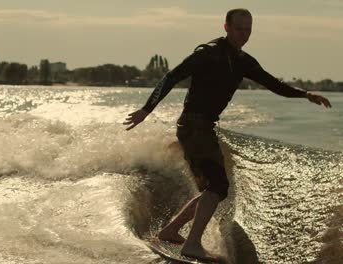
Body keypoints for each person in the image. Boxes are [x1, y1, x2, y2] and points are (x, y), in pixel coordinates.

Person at [123, 8, 332, 261]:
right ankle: (192, 245)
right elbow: (171, 76)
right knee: (219, 187)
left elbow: (274, 85)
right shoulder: (207, 54)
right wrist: (147, 109)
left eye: (248, 30)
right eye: (239, 29)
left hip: (202, 128)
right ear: (226, 27)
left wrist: (305, 94)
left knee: (212, 188)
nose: (244, 34)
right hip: (193, 126)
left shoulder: (244, 61)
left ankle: (170, 231)